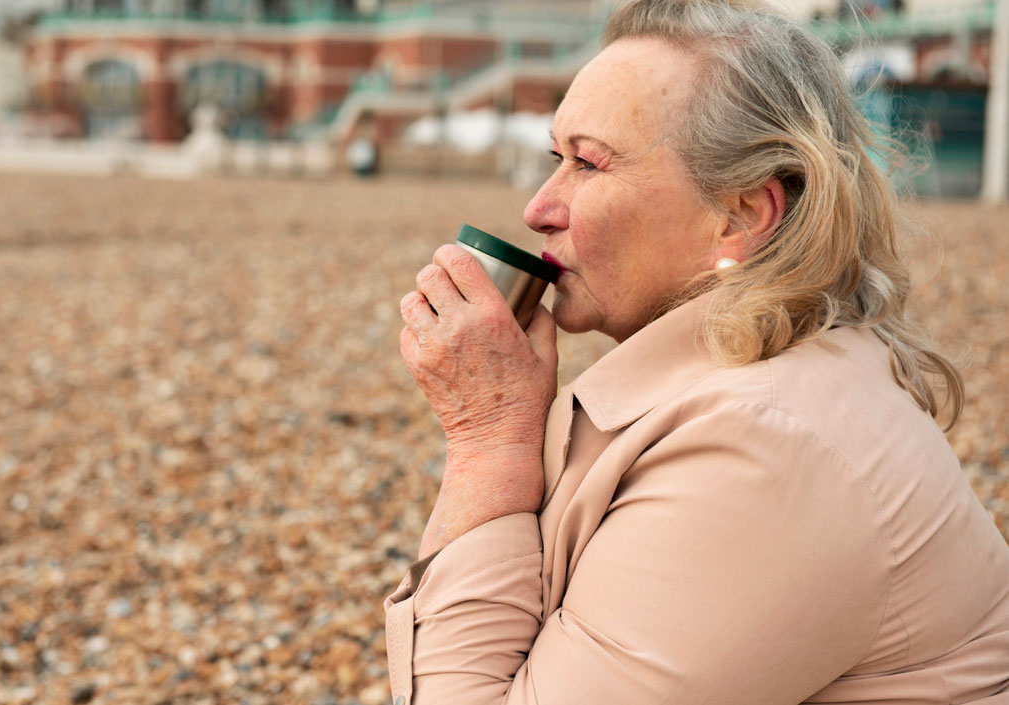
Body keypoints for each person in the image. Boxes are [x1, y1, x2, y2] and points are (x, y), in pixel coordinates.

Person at [386, 0, 1009, 703]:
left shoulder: (764, 447)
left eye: (588, 163)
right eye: (555, 158)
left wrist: (489, 436)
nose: (538, 208)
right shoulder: (769, 377)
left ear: (740, 216)